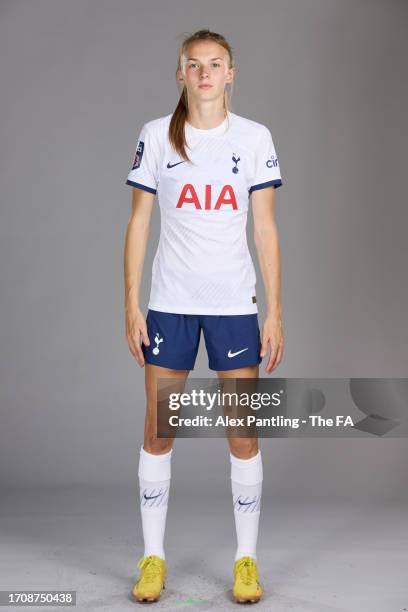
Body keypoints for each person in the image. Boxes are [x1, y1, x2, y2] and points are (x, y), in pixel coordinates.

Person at [123, 28, 284, 604]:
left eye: (216, 64)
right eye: (195, 64)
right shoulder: (156, 138)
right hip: (169, 306)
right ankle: (152, 559)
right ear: (181, 74)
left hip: (235, 310)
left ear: (232, 72)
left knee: (243, 435)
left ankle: (246, 560)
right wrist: (131, 303)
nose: (205, 73)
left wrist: (274, 311)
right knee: (159, 429)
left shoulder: (255, 137)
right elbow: (139, 223)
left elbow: (264, 227)